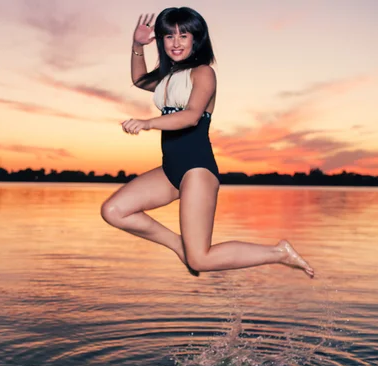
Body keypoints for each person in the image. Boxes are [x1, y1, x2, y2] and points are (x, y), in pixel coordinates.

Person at [101, 7, 314, 279]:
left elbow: (191, 117)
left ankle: (279, 253)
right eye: (168, 36)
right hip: (172, 169)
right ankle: (178, 244)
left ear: (196, 39)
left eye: (183, 35)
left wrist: (148, 123)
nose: (176, 42)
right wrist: (136, 45)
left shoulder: (203, 73)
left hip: (197, 169)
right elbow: (140, 80)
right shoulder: (168, 78)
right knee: (114, 210)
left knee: (200, 259)